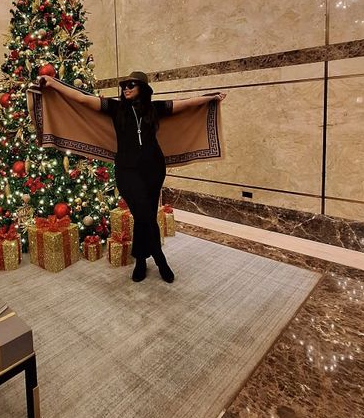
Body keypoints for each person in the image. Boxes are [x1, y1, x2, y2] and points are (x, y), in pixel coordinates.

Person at [38, 71, 226, 283]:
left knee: (145, 216)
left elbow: (185, 104)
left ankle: (140, 261)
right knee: (145, 215)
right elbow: (81, 99)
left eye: (131, 85)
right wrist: (54, 84)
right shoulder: (115, 108)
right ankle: (160, 259)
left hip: (154, 169)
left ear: (142, 88)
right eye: (124, 85)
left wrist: (210, 98)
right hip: (127, 171)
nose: (126, 88)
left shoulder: (155, 109)